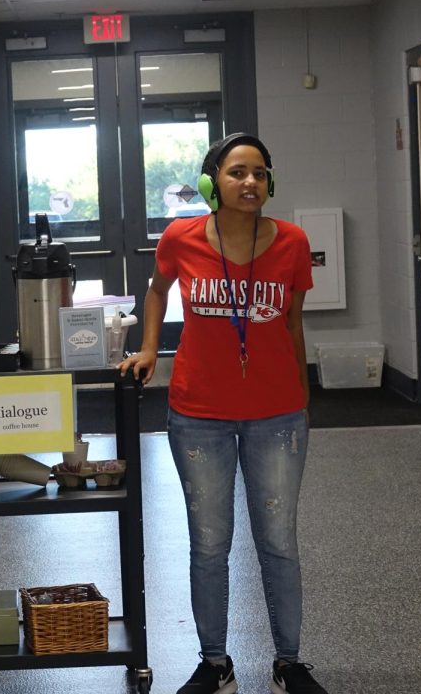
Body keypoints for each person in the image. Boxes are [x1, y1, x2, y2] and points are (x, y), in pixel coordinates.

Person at [119, 133, 329, 694]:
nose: (250, 183)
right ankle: (216, 663)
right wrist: (146, 348)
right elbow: (156, 288)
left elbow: (292, 321)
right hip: (199, 415)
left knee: (278, 541)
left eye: (260, 172)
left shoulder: (291, 242)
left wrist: (303, 394)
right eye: (237, 172)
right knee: (210, 544)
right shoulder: (181, 237)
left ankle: (288, 662)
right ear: (213, 182)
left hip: (278, 414)